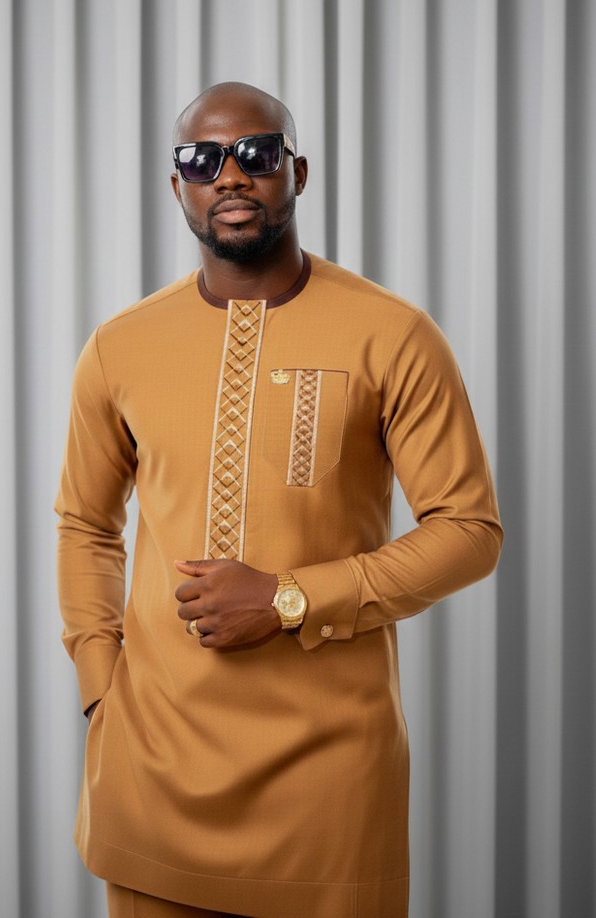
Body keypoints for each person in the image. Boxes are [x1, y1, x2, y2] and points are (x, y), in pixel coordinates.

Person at [56, 81, 502, 918]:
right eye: (202, 160)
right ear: (178, 186)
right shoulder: (120, 347)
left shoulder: (393, 335)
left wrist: (289, 596)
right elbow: (85, 524)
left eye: (256, 154)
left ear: (296, 172)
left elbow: (469, 531)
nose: (230, 175)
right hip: (153, 769)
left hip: (330, 780)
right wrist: (100, 685)